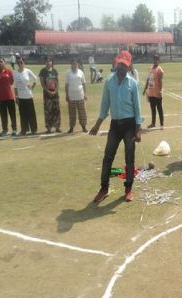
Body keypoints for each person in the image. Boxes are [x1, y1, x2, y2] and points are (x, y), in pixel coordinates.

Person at [89, 51, 142, 203]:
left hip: (129, 125)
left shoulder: (133, 84)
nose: (121, 67)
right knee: (107, 157)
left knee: (129, 158)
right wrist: (97, 125)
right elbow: (104, 106)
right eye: (120, 64)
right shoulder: (109, 82)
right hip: (115, 125)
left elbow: (137, 109)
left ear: (129, 66)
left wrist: (138, 130)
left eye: (125, 65)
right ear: (116, 63)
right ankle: (104, 189)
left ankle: (128, 189)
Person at [0, 56, 17, 136]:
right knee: (3, 115)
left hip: (10, 96)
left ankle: (14, 130)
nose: (0, 63)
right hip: (0, 98)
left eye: (1, 61)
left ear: (4, 62)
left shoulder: (9, 71)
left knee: (12, 114)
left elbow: (12, 82)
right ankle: (5, 130)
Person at [13, 57, 38, 135]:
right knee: (23, 114)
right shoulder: (16, 73)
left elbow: (35, 79)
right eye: (18, 63)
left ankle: (34, 129)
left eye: (21, 62)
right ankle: (24, 129)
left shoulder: (28, 71)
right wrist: (16, 97)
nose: (20, 64)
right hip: (21, 97)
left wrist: (32, 87)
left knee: (31, 113)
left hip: (28, 96)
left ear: (24, 63)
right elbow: (15, 86)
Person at [39, 57, 61, 133]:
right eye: (47, 61)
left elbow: (57, 82)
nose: (48, 62)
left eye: (50, 61)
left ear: (52, 62)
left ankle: (57, 126)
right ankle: (49, 127)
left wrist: (55, 91)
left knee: (56, 110)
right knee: (48, 110)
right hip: (47, 94)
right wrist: (48, 91)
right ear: (45, 62)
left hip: (55, 93)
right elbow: (42, 83)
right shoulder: (43, 71)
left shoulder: (54, 71)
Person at [65, 59, 88, 133]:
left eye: (76, 64)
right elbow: (66, 85)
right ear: (71, 64)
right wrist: (67, 95)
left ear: (78, 64)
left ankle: (84, 127)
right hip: (71, 97)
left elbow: (84, 84)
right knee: (72, 114)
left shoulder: (81, 72)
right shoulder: (68, 73)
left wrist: (85, 94)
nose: (74, 65)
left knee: (82, 113)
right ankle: (71, 127)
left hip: (80, 96)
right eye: (73, 64)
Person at [143, 54, 164, 129]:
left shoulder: (159, 70)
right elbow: (148, 79)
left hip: (157, 92)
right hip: (151, 92)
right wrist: (145, 88)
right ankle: (153, 123)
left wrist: (160, 91)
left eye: (156, 60)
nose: (155, 61)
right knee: (152, 109)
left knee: (159, 108)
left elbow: (160, 81)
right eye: (154, 59)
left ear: (159, 61)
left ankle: (162, 124)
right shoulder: (150, 68)